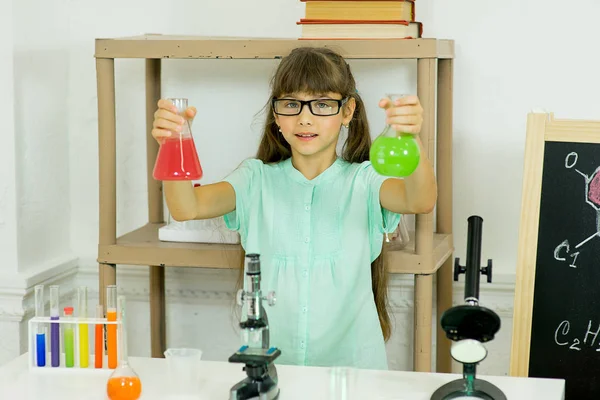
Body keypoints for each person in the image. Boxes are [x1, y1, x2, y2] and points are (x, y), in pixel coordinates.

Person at [151, 47, 437, 370]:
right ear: (276, 115)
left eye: (322, 104)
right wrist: (172, 141)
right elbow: (185, 207)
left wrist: (411, 138)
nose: (304, 117)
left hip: (355, 376)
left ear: (348, 111)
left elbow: (421, 199)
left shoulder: (365, 182)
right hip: (275, 373)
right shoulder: (254, 181)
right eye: (291, 104)